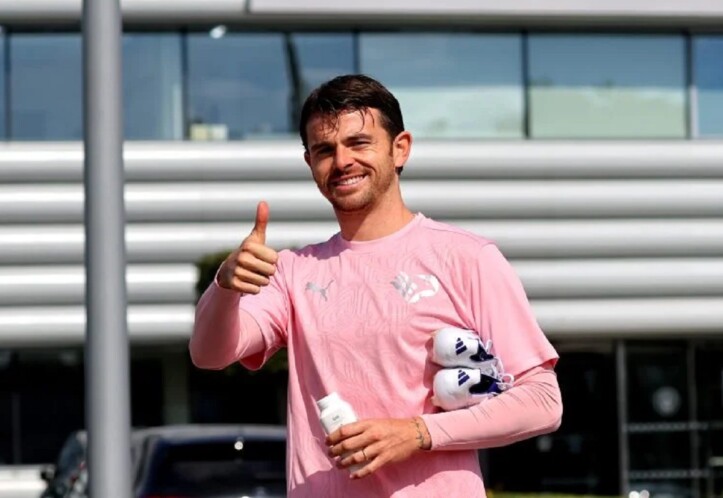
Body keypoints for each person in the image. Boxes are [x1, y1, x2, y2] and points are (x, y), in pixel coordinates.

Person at [190, 74, 562, 497]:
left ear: (400, 148)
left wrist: (419, 433)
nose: (342, 161)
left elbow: (542, 401)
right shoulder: (292, 271)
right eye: (325, 150)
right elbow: (209, 354)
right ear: (310, 163)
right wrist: (225, 286)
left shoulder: (467, 258)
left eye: (359, 143)